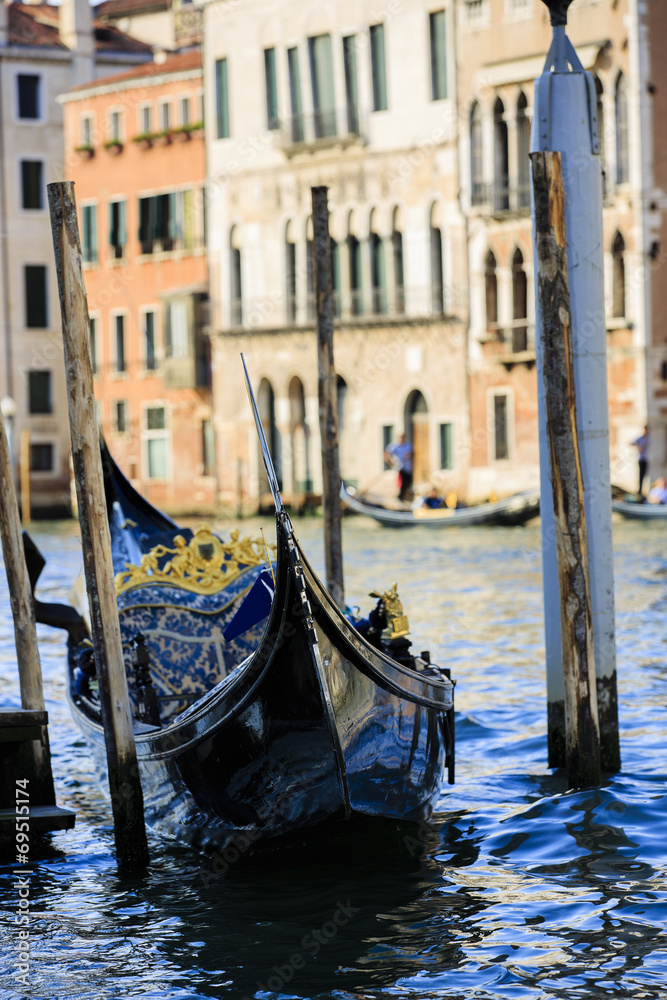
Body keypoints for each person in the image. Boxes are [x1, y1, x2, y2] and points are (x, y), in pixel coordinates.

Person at [384, 433, 413, 501]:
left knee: (408, 482)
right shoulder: (393, 446)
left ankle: (403, 497)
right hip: (399, 467)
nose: (401, 439)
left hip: (408, 468)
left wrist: (409, 455)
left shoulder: (408, 446)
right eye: (400, 438)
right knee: (403, 482)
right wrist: (390, 463)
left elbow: (412, 453)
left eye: (402, 438)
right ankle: (400, 497)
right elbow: (386, 454)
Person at [632, 425, 649, 496]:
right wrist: (638, 446)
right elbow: (632, 443)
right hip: (641, 459)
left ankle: (643, 490)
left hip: (647, 459)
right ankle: (639, 491)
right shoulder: (640, 438)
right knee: (641, 475)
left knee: (645, 475)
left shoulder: (649, 438)